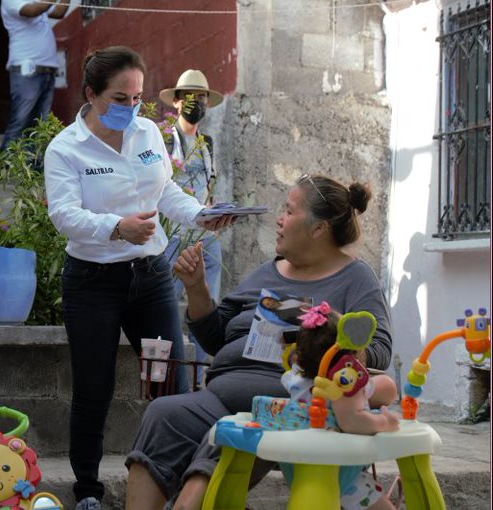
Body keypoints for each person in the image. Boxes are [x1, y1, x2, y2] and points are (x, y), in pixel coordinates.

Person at [125, 174, 394, 510]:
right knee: (163, 413)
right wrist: (197, 289)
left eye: (289, 210)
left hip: (290, 404)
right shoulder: (267, 272)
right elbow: (215, 336)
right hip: (220, 394)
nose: (280, 219)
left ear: (318, 229)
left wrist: (321, 327)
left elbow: (380, 351)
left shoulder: (355, 279)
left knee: (232, 430)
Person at [43, 46, 235, 510]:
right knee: (94, 387)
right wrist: (116, 226)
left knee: (170, 383)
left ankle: (182, 487)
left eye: (137, 98)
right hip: (92, 282)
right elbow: (64, 215)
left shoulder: (149, 131)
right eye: (120, 98)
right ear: (91, 94)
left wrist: (200, 215)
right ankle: (88, 490)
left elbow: (165, 188)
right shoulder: (65, 148)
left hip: (149, 278)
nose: (131, 108)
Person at [280, 302, 399, 509]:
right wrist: (384, 422)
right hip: (339, 469)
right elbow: (353, 421)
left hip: (299, 466)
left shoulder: (295, 379)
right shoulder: (341, 387)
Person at [159, 69, 225, 387]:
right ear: (175, 101)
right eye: (189, 96)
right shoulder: (163, 139)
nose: (195, 102)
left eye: (200, 97)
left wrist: (215, 216)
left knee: (207, 304)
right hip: (173, 229)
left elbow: (208, 187)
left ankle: (200, 375)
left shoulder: (207, 142)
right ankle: (168, 372)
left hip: (204, 230)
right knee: (167, 302)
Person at [0, 0, 69, 151]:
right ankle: (3, 171)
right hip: (27, 70)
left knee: (39, 128)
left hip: (47, 70)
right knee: (20, 122)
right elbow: (33, 10)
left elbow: (59, 12)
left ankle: (32, 171)